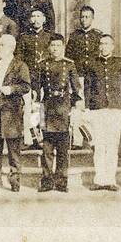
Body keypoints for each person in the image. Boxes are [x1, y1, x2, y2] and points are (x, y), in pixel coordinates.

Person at [0, 32, 31, 192]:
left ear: (11, 48)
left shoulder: (20, 65)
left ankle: (15, 181)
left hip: (11, 113)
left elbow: (26, 86)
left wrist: (11, 89)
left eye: (2, 45)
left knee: (14, 151)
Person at [84, 33, 121, 191]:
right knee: (99, 145)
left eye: (107, 44)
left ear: (112, 46)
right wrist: (87, 108)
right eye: (101, 43)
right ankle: (99, 180)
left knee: (112, 145)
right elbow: (87, 88)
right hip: (97, 109)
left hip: (114, 109)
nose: (104, 46)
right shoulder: (92, 64)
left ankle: (110, 180)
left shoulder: (120, 63)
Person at [37, 34, 81, 193]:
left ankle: (62, 181)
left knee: (63, 150)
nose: (55, 49)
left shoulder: (69, 65)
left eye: (58, 46)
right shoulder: (42, 65)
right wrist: (36, 107)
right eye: (52, 46)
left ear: (62, 47)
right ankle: (47, 181)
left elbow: (76, 90)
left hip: (63, 108)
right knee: (47, 150)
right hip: (48, 108)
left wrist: (74, 107)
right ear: (49, 47)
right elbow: (36, 88)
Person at [66, 5, 103, 142]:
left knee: (93, 106)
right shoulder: (74, 36)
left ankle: (93, 138)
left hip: (94, 78)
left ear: (92, 19)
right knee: (78, 105)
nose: (84, 19)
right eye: (82, 17)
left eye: (87, 17)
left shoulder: (98, 36)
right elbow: (69, 58)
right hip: (79, 76)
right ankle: (77, 140)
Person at [19, 8, 53, 90]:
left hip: (46, 74)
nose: (36, 19)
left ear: (44, 19)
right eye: (33, 16)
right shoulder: (24, 37)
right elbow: (19, 57)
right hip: (29, 75)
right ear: (30, 19)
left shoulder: (50, 37)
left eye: (38, 16)